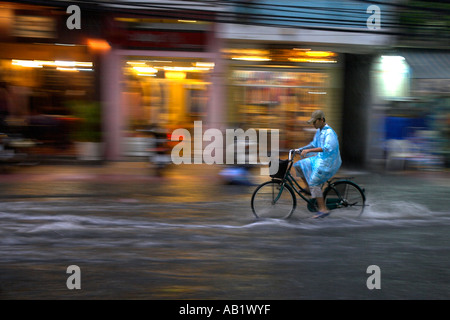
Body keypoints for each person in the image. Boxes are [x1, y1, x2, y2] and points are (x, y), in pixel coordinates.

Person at [294, 110, 342, 218]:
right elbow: (313, 144)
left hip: (329, 162)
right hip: (320, 159)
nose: (313, 124)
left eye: (314, 122)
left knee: (314, 182)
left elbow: (327, 148)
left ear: (321, 120)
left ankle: (323, 209)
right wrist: (300, 149)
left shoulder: (329, 133)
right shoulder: (319, 131)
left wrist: (308, 151)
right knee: (298, 165)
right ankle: (308, 189)